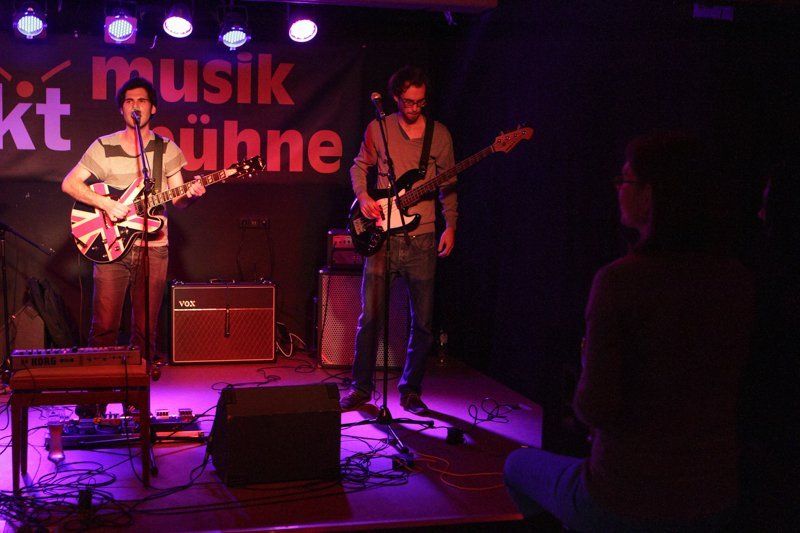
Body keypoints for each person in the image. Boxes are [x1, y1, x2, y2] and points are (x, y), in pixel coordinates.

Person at [504, 131, 755, 531]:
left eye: (626, 179)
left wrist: (586, 368)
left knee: (517, 464)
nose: (618, 188)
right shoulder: (737, 279)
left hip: (625, 496)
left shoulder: (621, 281)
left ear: (651, 194)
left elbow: (594, 408)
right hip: (716, 496)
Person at [62, 77, 205, 412]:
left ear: (152, 108)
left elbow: (179, 199)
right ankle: (95, 404)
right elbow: (70, 183)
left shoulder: (167, 149)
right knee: (105, 327)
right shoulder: (103, 146)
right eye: (128, 101)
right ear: (121, 109)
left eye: (141, 100)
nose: (135, 106)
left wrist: (192, 194)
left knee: (145, 330)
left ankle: (135, 406)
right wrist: (106, 204)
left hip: (154, 248)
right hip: (111, 247)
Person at [339, 66, 458, 414]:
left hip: (423, 238)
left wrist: (451, 226)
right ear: (395, 98)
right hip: (382, 237)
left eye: (420, 102)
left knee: (422, 322)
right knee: (370, 318)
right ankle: (361, 387)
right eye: (408, 101)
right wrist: (363, 196)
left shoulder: (440, 135)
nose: (414, 108)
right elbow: (359, 166)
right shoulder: (379, 128)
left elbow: (449, 187)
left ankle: (411, 391)